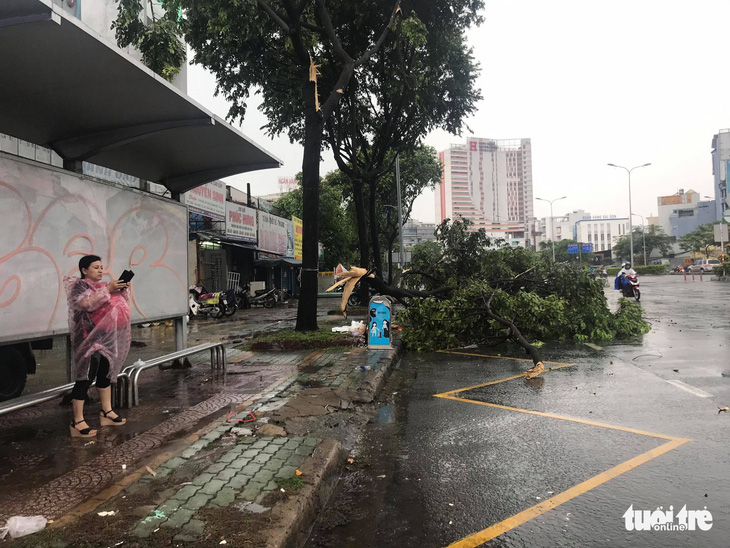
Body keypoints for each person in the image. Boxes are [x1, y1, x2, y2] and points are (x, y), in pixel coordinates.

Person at [64, 255, 131, 438]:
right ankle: (77, 421)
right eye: (96, 267)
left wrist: (120, 290)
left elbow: (116, 305)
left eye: (102, 267)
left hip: (106, 339)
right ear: (85, 270)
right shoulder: (80, 286)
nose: (101, 270)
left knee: (105, 372)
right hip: (87, 340)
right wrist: (108, 289)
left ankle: (107, 411)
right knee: (85, 377)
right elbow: (85, 303)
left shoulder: (102, 286)